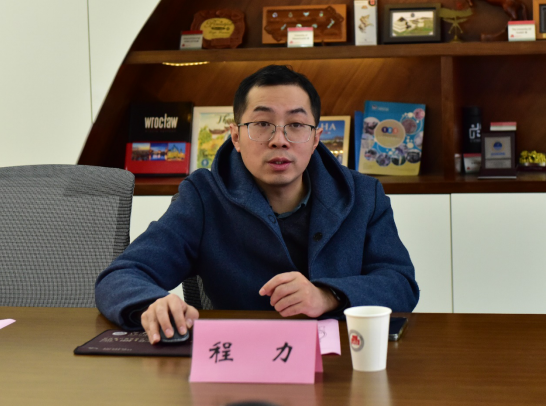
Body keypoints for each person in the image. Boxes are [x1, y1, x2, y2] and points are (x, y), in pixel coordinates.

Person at [96, 65, 419, 344]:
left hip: (343, 362)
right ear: (236, 137)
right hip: (240, 359)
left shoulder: (363, 195)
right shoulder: (204, 196)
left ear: (316, 138)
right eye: (262, 124)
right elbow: (121, 276)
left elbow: (400, 283)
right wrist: (153, 303)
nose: (279, 140)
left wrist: (327, 296)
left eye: (296, 125)